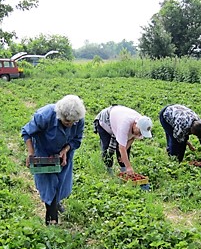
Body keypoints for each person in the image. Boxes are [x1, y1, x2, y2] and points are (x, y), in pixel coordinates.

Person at [21, 95, 86, 225]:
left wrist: (65, 150)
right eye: (66, 122)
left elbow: (76, 140)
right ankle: (51, 217)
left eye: (72, 123)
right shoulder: (45, 115)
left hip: (63, 154)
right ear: (59, 116)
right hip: (43, 151)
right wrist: (31, 152)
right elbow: (27, 132)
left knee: (61, 182)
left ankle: (55, 204)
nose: (70, 125)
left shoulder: (78, 119)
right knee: (48, 183)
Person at [93, 105, 153, 174]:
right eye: (140, 132)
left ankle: (124, 171)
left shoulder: (142, 123)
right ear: (135, 124)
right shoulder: (124, 124)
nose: (140, 135)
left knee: (125, 150)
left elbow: (132, 137)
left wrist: (124, 152)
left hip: (117, 120)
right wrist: (129, 167)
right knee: (107, 147)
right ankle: (108, 170)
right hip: (105, 121)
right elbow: (121, 148)